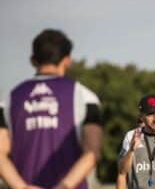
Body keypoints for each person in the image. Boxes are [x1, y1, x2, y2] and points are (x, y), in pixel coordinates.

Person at [0, 29, 103, 189]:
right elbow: (92, 152)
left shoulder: (8, 100)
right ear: (68, 60)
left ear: (33, 60)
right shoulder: (86, 97)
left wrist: (22, 187)